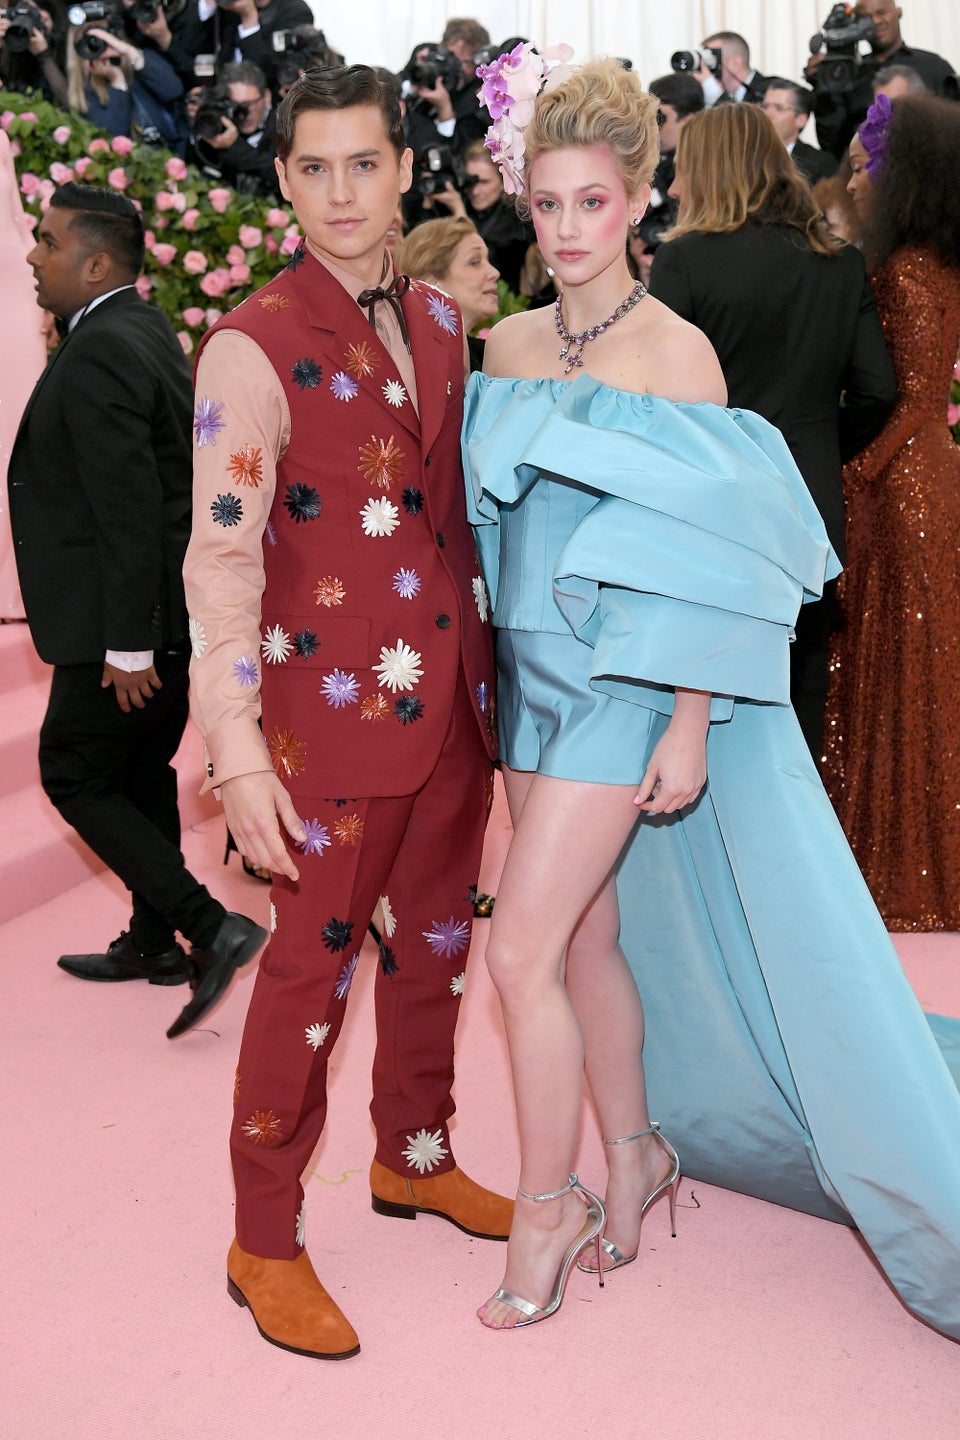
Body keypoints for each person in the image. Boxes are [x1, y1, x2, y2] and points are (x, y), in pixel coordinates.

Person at [463, 51, 960, 1342]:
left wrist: (689, 718)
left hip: (621, 690)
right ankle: (635, 1151)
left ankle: (547, 1205)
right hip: (527, 683)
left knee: (515, 949)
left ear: (638, 202)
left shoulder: (676, 354)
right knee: (580, 942)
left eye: (593, 202)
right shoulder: (506, 340)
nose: (568, 229)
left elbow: (717, 561)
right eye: (549, 202)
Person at [181, 63, 511, 1361]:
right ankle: (263, 1241)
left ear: (400, 168)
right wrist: (235, 747)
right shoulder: (250, 341)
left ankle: (415, 1157)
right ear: (282, 182)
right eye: (312, 169)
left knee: (434, 956)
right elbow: (222, 555)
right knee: (306, 984)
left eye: (361, 164)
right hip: (320, 731)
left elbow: (451, 520)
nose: (339, 193)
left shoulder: (441, 318)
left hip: (451, 714)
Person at [6, 182, 265, 1017]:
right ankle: (155, 940)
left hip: (121, 622)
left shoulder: (103, 348)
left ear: (95, 262)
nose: (32, 255)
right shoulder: (140, 326)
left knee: (73, 770)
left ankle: (205, 923)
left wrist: (128, 644)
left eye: (45, 243)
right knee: (139, 770)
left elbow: (128, 505)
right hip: (154, 612)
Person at [648, 102, 896, 760]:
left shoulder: (685, 262)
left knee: (706, 684)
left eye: (682, 171)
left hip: (713, 507)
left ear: (711, 170)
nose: (672, 189)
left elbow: (660, 401)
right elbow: (879, 390)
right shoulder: (840, 262)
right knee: (800, 688)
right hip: (808, 505)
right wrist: (811, 447)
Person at [822, 93, 960, 931]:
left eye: (869, 161)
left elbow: (907, 399)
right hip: (934, 479)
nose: (857, 174)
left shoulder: (905, 268)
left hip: (904, 484)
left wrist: (853, 476)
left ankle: (900, 871)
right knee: (927, 674)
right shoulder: (941, 261)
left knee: (898, 675)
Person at [805, 0, 956, 159]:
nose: (876, 21)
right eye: (866, 17)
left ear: (898, 12)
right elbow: (832, 145)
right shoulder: (848, 74)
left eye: (881, 13)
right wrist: (822, 90)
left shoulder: (934, 66)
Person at [0, 130, 47, 621]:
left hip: (12, 293)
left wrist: (40, 292)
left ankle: (14, 589)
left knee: (16, 436)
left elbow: (16, 221)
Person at [394, 214, 500, 369]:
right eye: (475, 262)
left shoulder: (490, 358)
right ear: (429, 284)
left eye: (487, 260)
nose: (494, 272)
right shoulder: (405, 362)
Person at [65, 20, 184, 151]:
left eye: (103, 37)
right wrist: (117, 82)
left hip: (169, 156)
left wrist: (128, 51)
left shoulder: (143, 65)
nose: (98, 45)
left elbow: (174, 90)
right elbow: (112, 139)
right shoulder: (86, 95)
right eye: (90, 42)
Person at [191, 59, 280, 197]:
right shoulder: (221, 123)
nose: (242, 114)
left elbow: (280, 175)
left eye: (247, 104)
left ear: (266, 97)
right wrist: (199, 123)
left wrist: (234, 146)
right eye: (235, 106)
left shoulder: (287, 127)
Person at [760, 78, 837, 185]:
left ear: (801, 120)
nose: (767, 114)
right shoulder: (747, 158)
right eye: (764, 106)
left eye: (779, 108)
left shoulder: (821, 164)